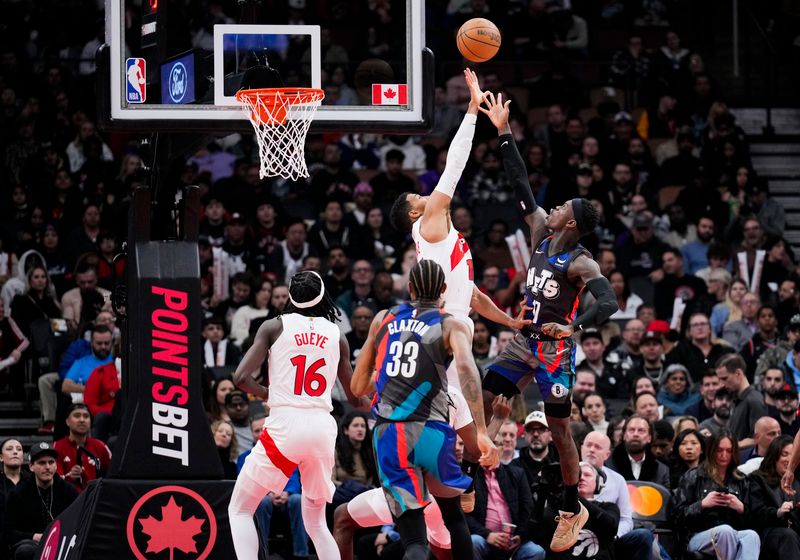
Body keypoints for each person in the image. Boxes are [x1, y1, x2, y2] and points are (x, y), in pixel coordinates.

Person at [479, 90, 618, 552]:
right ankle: (466, 477)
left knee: (560, 432)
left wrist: (574, 329)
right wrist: (502, 130)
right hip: (525, 340)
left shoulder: (580, 262)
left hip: (555, 352)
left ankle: (569, 506)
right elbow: (520, 182)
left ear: (572, 223)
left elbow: (609, 301)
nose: (553, 207)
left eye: (563, 207)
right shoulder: (540, 233)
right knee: (483, 394)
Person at [350, 259, 499, 560]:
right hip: (431, 431)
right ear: (443, 291)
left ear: (410, 287)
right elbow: (469, 373)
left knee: (415, 542)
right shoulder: (449, 324)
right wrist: (482, 430)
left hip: (391, 433)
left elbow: (357, 387)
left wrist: (387, 380)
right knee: (454, 518)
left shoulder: (383, 318)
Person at [228, 270, 362, 560]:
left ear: (290, 296)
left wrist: (270, 393)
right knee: (316, 523)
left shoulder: (274, 326)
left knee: (239, 508)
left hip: (286, 426)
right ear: (323, 296)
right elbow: (355, 398)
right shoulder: (336, 334)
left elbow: (240, 377)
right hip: (322, 429)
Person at [673, 430, 760, 559]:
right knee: (725, 531)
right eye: (719, 450)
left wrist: (741, 508)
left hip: (732, 532)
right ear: (711, 450)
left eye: (729, 451)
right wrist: (702, 504)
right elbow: (677, 516)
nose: (724, 455)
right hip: (698, 535)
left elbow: (755, 521)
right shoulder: (694, 476)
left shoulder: (741, 479)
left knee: (751, 536)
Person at [5, 442, 78, 560]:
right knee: (25, 551)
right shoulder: (18, 493)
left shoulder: (68, 490)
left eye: (51, 462)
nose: (47, 467)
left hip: (63, 541)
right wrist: (34, 536)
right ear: (31, 466)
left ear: (56, 465)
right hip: (32, 543)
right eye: (42, 463)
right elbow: (8, 532)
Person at [532, 462, 620, 560]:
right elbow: (535, 536)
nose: (581, 478)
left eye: (587, 475)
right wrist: (541, 497)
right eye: (575, 475)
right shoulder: (554, 509)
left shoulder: (608, 507)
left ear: (598, 482)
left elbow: (611, 526)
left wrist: (572, 494)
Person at [750, 435, 800, 560]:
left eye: (792, 454)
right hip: (769, 533)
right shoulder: (757, 479)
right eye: (784, 454)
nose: (789, 459)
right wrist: (778, 512)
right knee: (788, 535)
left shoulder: (798, 481)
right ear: (774, 456)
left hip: (795, 531)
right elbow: (756, 513)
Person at [53, 403, 112, 492]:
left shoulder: (101, 446)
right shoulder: (57, 447)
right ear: (67, 421)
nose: (82, 420)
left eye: (86, 416)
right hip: (68, 501)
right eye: (77, 416)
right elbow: (53, 480)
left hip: (95, 500)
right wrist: (70, 476)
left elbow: (112, 477)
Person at [716, 353, 768, 448]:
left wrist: (731, 446)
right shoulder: (736, 399)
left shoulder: (754, 400)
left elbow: (760, 439)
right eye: (719, 380)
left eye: (724, 378)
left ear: (738, 373)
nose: (721, 384)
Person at [606, 415, 671, 487]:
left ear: (649, 437)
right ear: (624, 435)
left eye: (641, 430)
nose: (635, 434)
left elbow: (666, 496)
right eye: (631, 430)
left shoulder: (661, 470)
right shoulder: (606, 464)